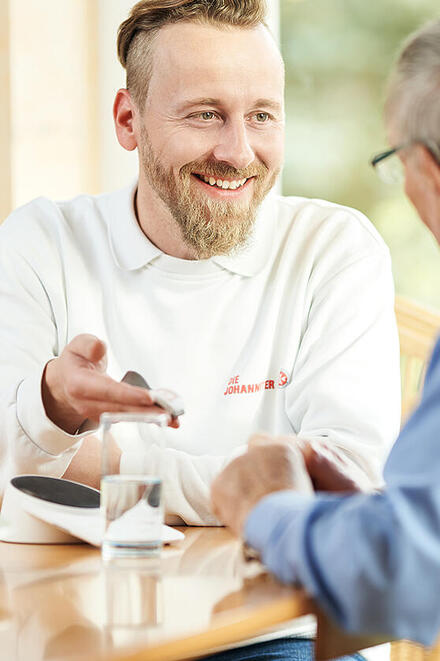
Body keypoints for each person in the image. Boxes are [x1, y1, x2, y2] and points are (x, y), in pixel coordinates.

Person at [0, 1, 399, 659]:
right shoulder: (42, 243)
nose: (238, 152)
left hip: (279, 634)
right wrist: (51, 407)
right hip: (78, 627)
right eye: (205, 114)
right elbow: (6, 474)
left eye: (262, 115)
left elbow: (348, 481)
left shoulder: (332, 249)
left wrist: (116, 466)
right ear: (128, 121)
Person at [211, 17, 440, 650]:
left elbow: (408, 571)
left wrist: (269, 509)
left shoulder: (335, 248)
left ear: (427, 169)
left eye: (264, 115)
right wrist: (370, 516)